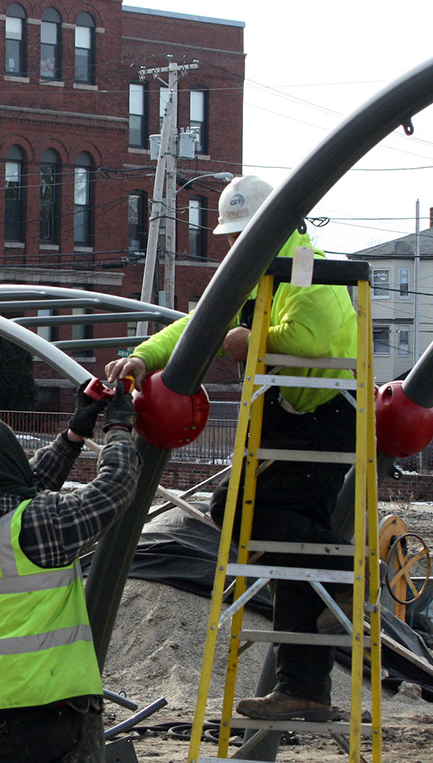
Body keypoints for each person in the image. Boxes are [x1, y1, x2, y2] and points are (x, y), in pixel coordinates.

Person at [105, 174, 358, 722]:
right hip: (292, 422)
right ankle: (305, 688)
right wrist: (143, 357)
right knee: (297, 563)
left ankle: (345, 567)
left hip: (317, 420)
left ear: (271, 228)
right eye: (231, 236)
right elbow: (199, 327)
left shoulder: (305, 269)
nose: (229, 245)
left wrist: (253, 338)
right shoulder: (260, 275)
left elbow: (310, 337)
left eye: (239, 234)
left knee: (236, 511)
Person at [0, 384, 140, 763]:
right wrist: (119, 428)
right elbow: (114, 487)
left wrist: (73, 435)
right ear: (4, 467)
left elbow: (27, 484)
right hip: (44, 704)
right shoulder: (32, 525)